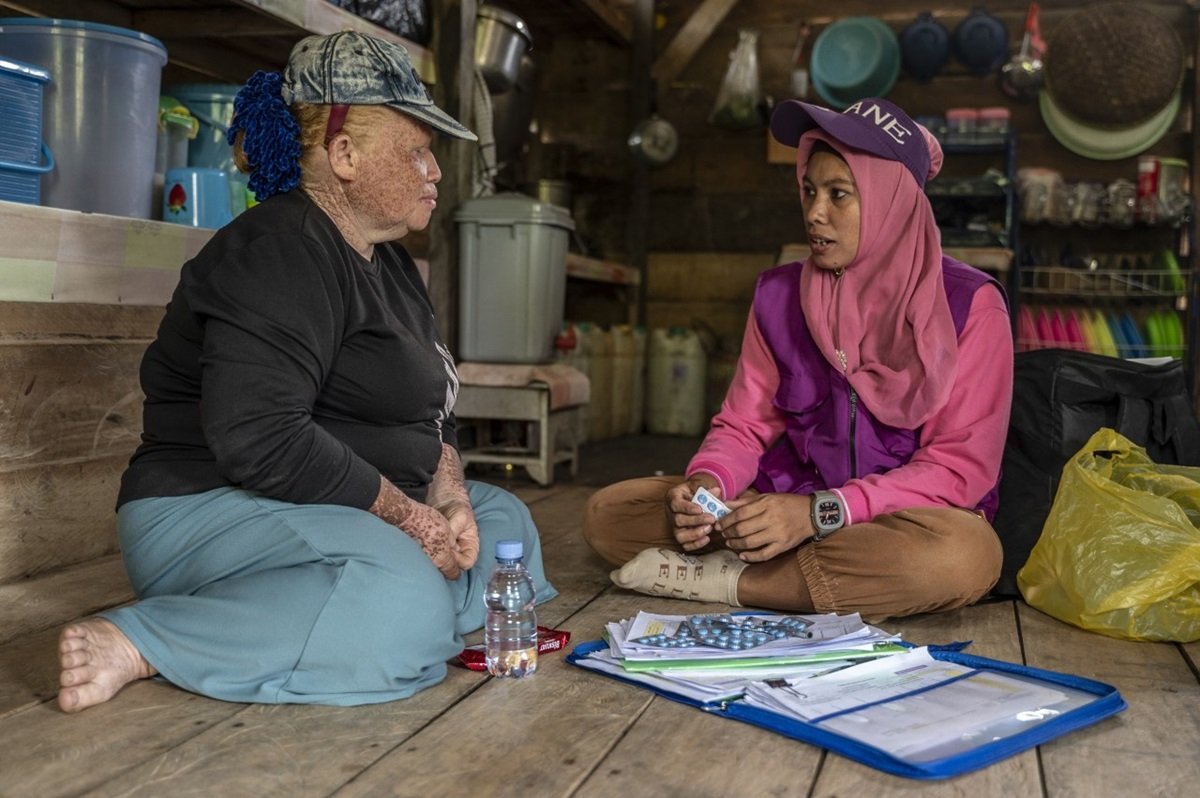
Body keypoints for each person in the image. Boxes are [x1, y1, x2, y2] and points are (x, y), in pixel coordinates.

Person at [56, 31, 556, 713]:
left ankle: (351, 608)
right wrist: (410, 520)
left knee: (508, 529)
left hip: (337, 511)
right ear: (344, 155)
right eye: (416, 152)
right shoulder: (280, 249)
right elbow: (258, 436)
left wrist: (451, 500)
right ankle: (151, 638)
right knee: (406, 606)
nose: (434, 171)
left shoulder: (396, 267)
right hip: (208, 508)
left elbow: (432, 417)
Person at [583, 98, 1012, 622]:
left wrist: (820, 512)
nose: (814, 213)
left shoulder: (972, 305)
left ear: (891, 202)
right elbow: (743, 424)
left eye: (839, 195)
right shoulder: (779, 294)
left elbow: (958, 469)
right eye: (809, 191)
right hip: (778, 506)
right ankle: (784, 570)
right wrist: (709, 484)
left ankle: (732, 580)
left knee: (964, 558)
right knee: (611, 514)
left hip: (896, 522)